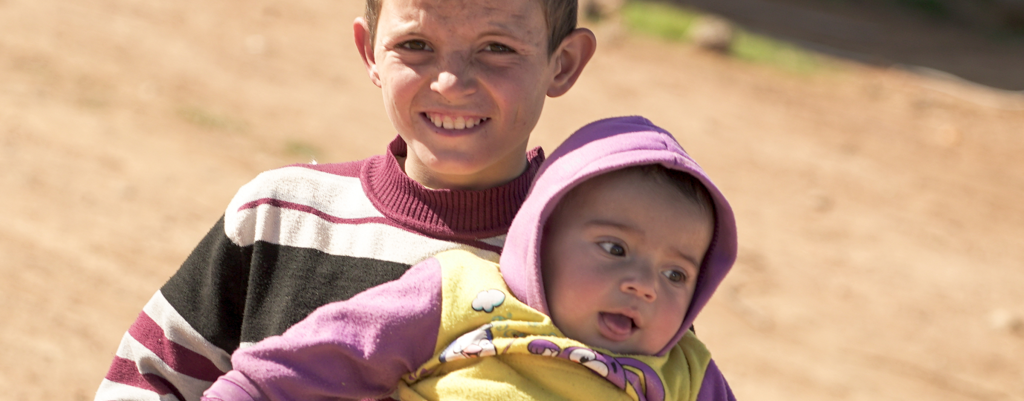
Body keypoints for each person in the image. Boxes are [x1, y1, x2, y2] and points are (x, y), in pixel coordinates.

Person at [95, 0, 597, 399]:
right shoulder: (281, 216)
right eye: (416, 44)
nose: (450, 83)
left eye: (497, 48)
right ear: (369, 51)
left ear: (564, 64)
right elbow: (149, 375)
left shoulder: (593, 262)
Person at [200, 116, 739, 401]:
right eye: (615, 249)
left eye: (676, 273)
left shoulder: (686, 372)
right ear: (540, 236)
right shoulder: (465, 292)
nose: (645, 284)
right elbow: (329, 352)